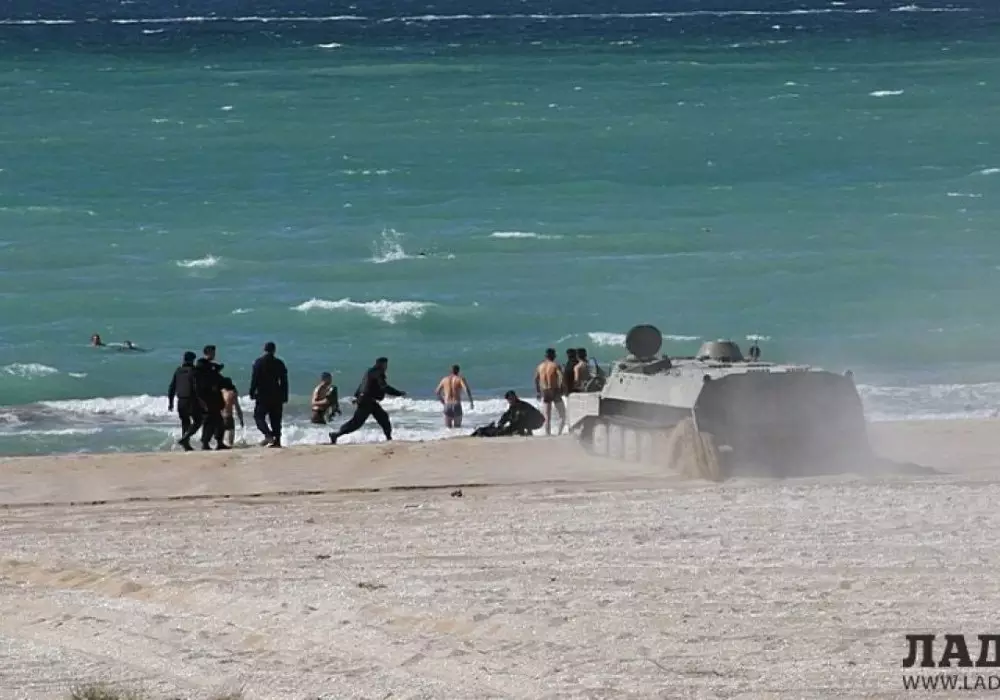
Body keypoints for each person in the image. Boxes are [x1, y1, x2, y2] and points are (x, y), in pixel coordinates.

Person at [329, 357, 405, 444]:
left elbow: (362, 385)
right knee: (356, 423)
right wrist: (398, 393)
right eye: (385, 365)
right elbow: (384, 387)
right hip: (367, 401)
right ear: (381, 364)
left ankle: (389, 438)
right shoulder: (378, 372)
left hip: (368, 400)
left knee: (383, 417)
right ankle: (336, 434)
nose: (386, 367)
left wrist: (357, 397)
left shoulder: (370, 372)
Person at [249, 341, 289, 448]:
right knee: (276, 419)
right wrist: (285, 395)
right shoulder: (279, 363)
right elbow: (284, 381)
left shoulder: (259, 362)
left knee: (258, 417)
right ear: (274, 350)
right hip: (276, 394)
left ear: (264, 349)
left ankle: (268, 434)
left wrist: (252, 392)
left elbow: (255, 379)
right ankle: (277, 441)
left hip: (263, 394)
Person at [167, 351, 205, 451]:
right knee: (198, 420)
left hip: (181, 401)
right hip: (192, 400)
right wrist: (201, 401)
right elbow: (196, 387)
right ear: (192, 360)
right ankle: (185, 439)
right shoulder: (194, 371)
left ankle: (186, 445)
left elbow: (172, 387)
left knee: (185, 422)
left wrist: (170, 403)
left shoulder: (178, 370)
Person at [472, 391, 545, 437]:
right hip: (531, 421)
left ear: (515, 397)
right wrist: (501, 423)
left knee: (521, 417)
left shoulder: (522, 405)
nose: (510, 401)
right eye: (509, 400)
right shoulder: (513, 406)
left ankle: (526, 433)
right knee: (512, 421)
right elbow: (507, 415)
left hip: (538, 422)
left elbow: (523, 418)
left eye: (512, 399)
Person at [195, 357, 226, 450]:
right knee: (212, 423)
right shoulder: (206, 376)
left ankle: (213, 442)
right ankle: (208, 443)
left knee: (215, 423)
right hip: (209, 403)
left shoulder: (202, 375)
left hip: (210, 403)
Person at [534, 348, 565, 436]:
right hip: (554, 390)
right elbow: (561, 377)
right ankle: (559, 433)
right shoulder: (555, 365)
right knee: (562, 415)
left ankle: (548, 434)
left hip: (545, 391)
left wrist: (538, 392)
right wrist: (561, 388)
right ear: (554, 356)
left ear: (545, 356)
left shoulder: (540, 366)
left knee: (547, 416)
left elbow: (536, 379)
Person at [435, 364, 473, 428]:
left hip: (447, 405)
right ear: (458, 371)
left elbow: (437, 392)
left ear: (450, 371)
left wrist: (443, 402)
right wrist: (471, 402)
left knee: (448, 429)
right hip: (456, 405)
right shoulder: (460, 379)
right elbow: (466, 389)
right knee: (457, 428)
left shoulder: (444, 379)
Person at [220, 376, 245, 447]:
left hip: (220, 417)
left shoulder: (221, 392)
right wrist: (241, 419)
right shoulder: (232, 393)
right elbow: (237, 408)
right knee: (230, 442)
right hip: (228, 418)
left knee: (221, 440)